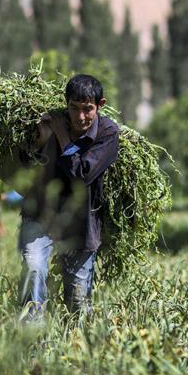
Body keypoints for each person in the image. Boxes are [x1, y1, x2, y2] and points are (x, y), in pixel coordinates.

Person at [18, 74, 120, 321]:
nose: (80, 117)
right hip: (41, 215)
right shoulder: (51, 122)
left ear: (100, 105)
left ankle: (76, 352)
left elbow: (82, 174)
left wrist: (62, 137)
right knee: (33, 270)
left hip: (81, 224)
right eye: (74, 108)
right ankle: (31, 344)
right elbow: (23, 162)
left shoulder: (107, 134)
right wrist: (39, 138)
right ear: (66, 104)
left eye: (88, 109)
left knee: (78, 302)